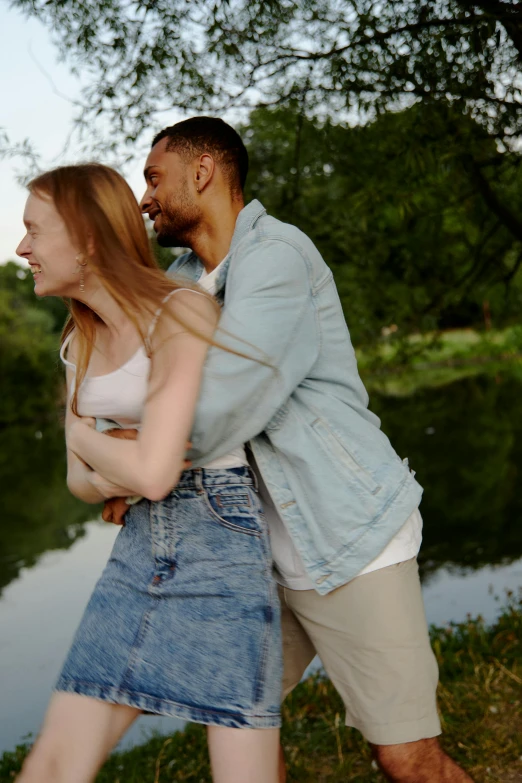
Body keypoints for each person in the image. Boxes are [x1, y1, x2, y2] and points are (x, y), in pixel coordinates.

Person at [106, 116, 474, 783]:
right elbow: (147, 390)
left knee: (406, 757)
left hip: (348, 539)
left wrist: (134, 467)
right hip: (253, 556)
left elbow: (225, 404)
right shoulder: (182, 284)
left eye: (154, 178)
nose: (144, 198)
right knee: (236, 719)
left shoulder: (277, 257)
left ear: (204, 171)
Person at [14, 163, 282, 783]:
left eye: (33, 231)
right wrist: (122, 460)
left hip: (219, 542)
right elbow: (78, 483)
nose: (21, 248)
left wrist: (89, 438)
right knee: (53, 764)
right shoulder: (79, 338)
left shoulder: (182, 311)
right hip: (137, 548)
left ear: (85, 239)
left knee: (244, 772)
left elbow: (155, 472)